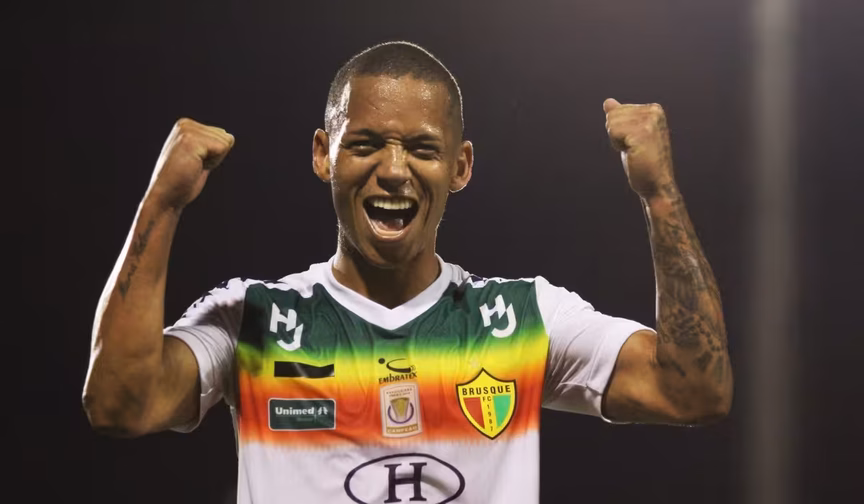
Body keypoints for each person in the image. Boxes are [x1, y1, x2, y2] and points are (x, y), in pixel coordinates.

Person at [83, 41, 732, 503]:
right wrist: (161, 203)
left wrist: (659, 194)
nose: (394, 171)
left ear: (460, 166)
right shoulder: (254, 320)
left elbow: (694, 392)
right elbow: (118, 403)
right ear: (324, 155)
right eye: (366, 144)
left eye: (422, 148)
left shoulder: (524, 319)